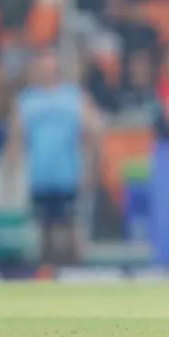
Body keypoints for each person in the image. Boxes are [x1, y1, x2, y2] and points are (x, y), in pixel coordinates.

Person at [7, 52, 103, 266]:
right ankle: (48, 276)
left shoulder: (74, 97)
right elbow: (15, 138)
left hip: (68, 174)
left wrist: (92, 167)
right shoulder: (27, 100)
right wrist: (12, 177)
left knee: (69, 229)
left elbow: (94, 131)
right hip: (40, 175)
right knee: (44, 230)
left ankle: (75, 273)